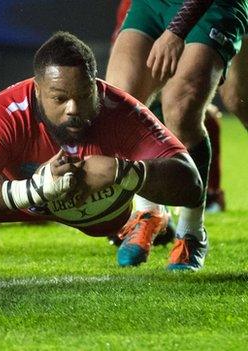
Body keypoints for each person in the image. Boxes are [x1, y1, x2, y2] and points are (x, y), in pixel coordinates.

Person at [0, 32, 206, 270]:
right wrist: (33, 190)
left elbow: (191, 184)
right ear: (37, 91)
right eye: (59, 98)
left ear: (95, 89)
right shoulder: (8, 112)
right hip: (23, 197)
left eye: (83, 96)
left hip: (100, 216)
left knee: (110, 222)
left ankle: (158, 220)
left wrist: (125, 172)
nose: (73, 109)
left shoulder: (120, 110)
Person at [105, 0, 247, 266]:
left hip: (213, 5)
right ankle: (149, 212)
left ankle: (192, 230)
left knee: (182, 107)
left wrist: (176, 31)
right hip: (153, 4)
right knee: (120, 102)